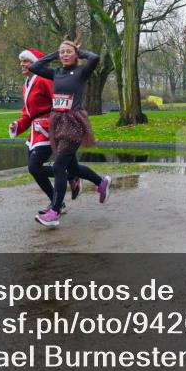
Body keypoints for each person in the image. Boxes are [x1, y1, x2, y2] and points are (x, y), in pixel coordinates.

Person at [28, 38, 110, 228]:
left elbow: (95, 57)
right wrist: (55, 54)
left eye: (68, 52)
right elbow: (35, 67)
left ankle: (54, 212)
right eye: (61, 52)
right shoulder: (56, 72)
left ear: (75, 55)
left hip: (74, 122)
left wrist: (79, 52)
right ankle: (101, 182)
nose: (64, 55)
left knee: (58, 167)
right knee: (71, 169)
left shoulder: (81, 72)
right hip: (58, 122)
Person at [11, 48, 96, 216]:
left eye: (26, 61)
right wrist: (18, 125)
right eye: (21, 61)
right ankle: (63, 192)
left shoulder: (44, 80)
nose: (22, 64)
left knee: (35, 166)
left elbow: (60, 100)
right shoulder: (26, 85)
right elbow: (27, 112)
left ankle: (58, 201)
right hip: (36, 133)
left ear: (34, 62)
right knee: (38, 169)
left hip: (51, 129)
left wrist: (62, 124)